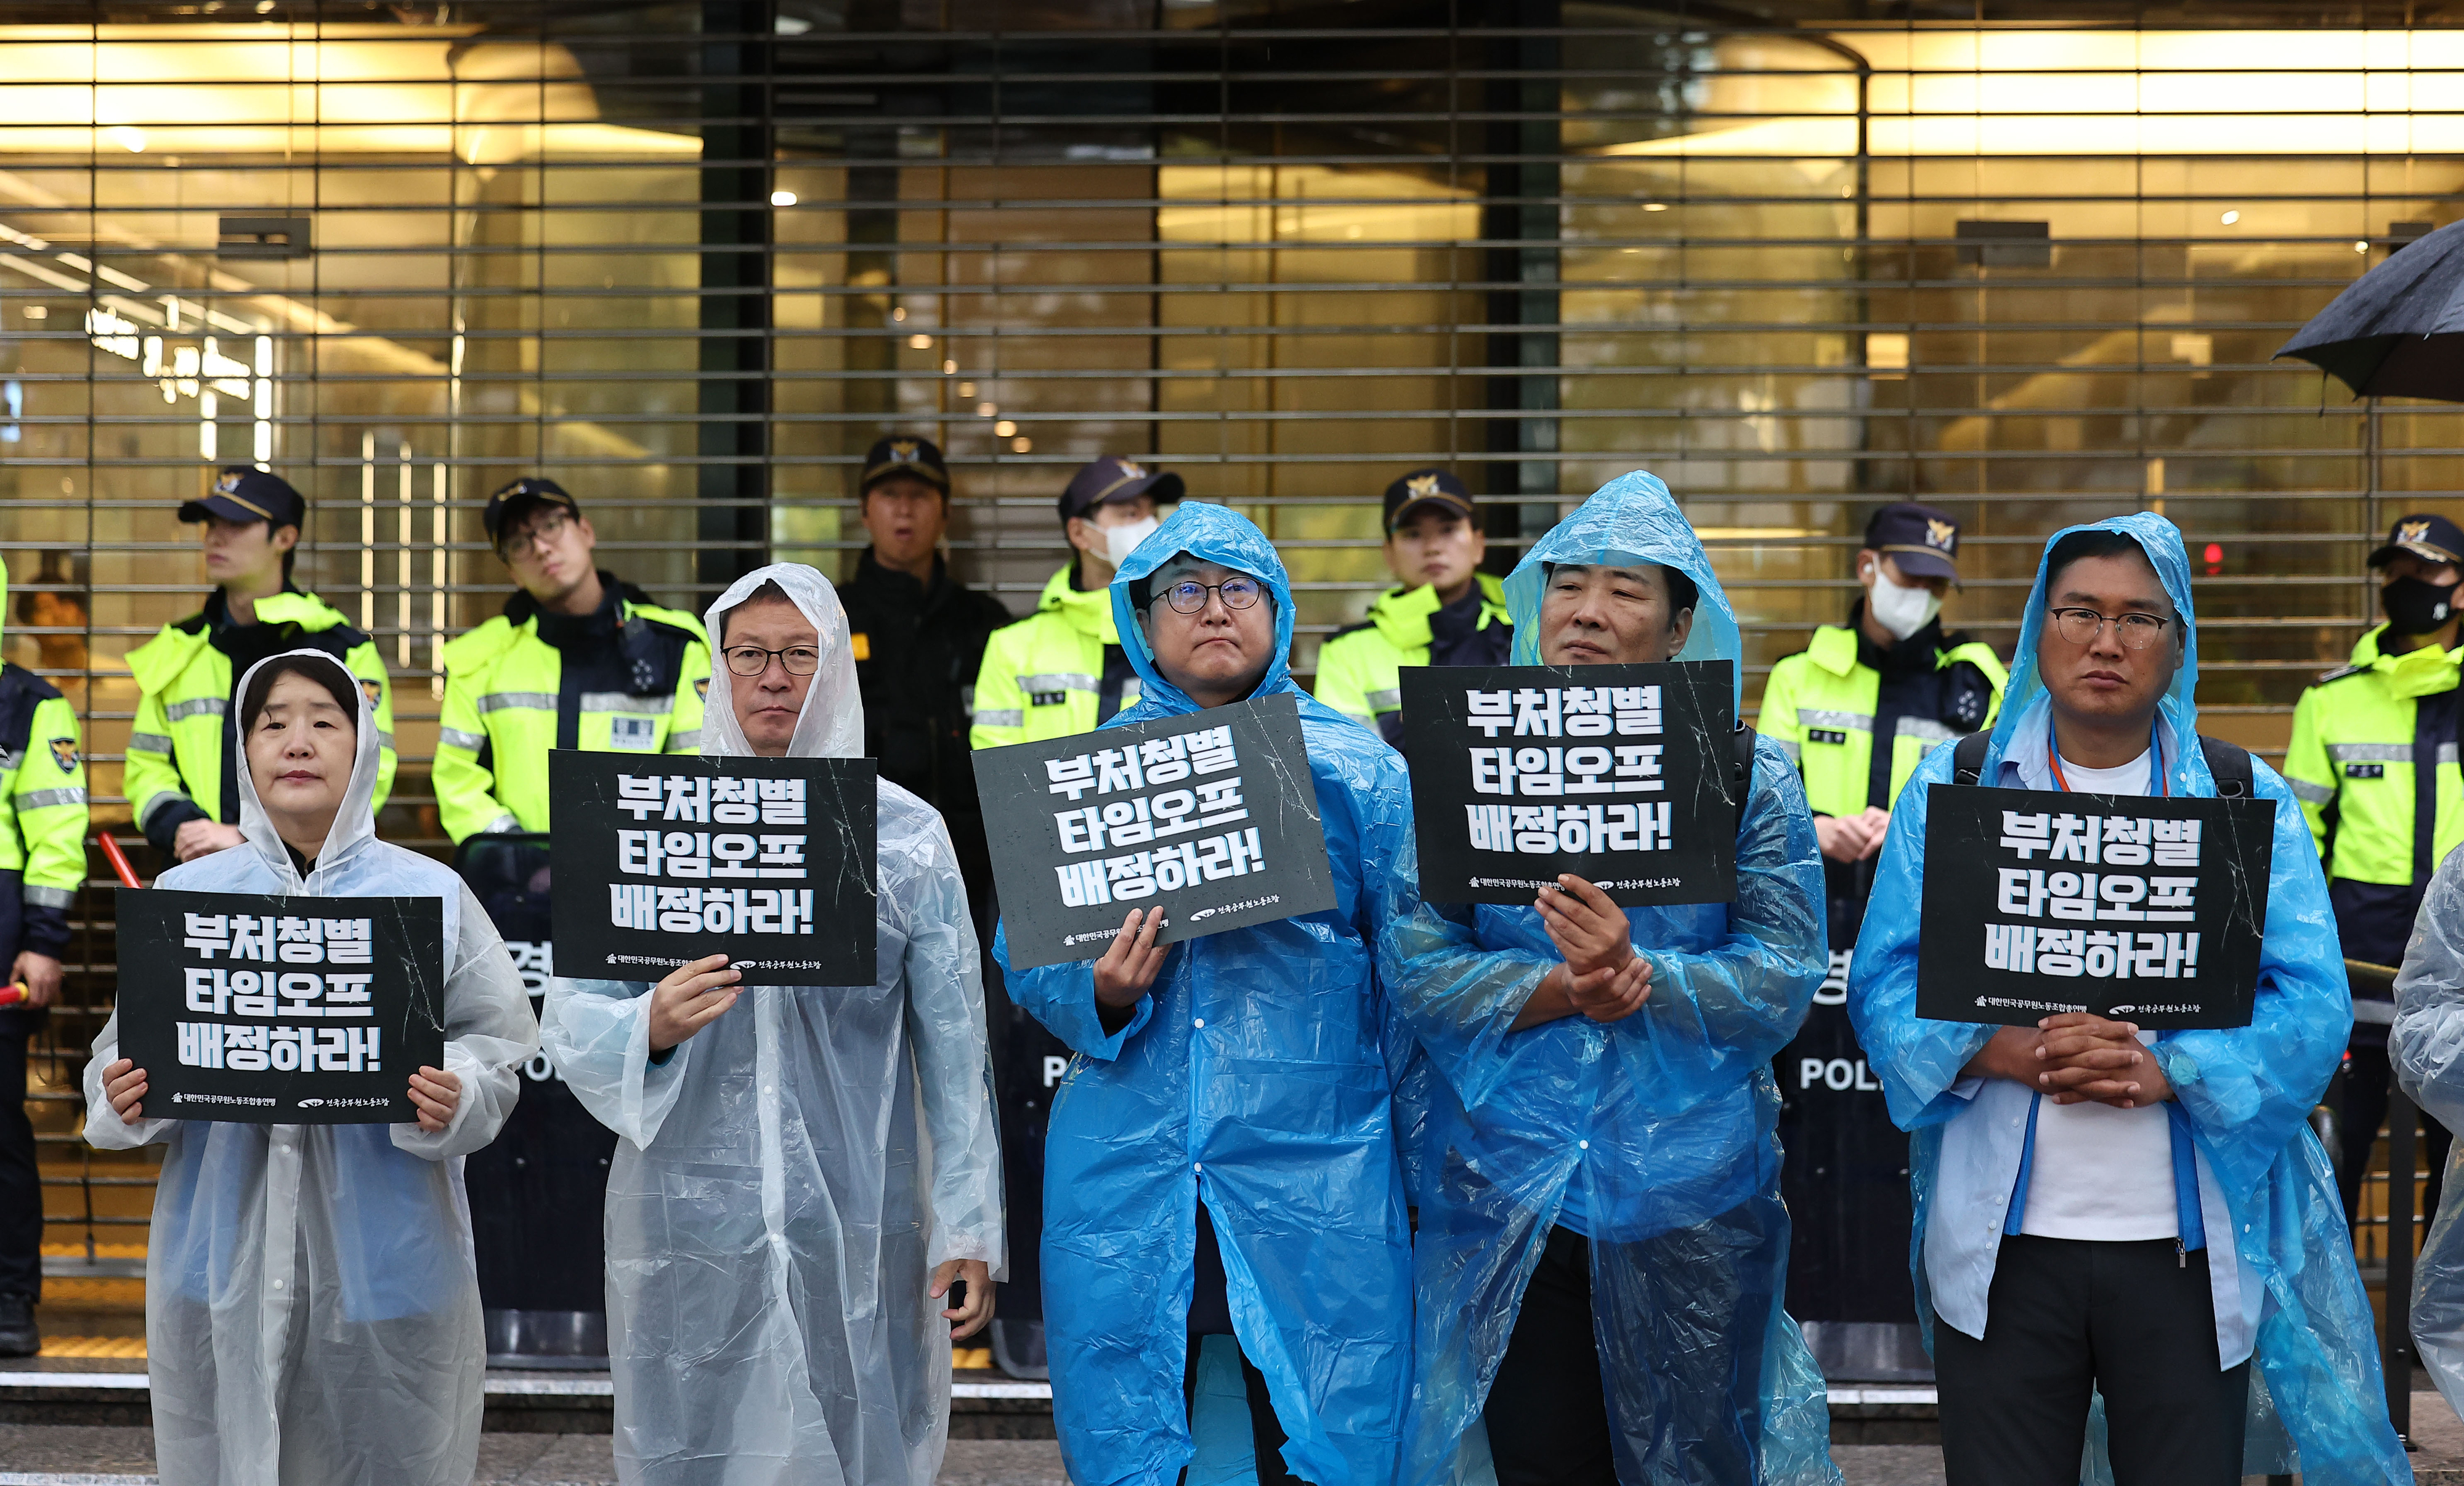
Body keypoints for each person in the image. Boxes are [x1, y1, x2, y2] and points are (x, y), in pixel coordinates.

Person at [1847, 514, 2409, 1484]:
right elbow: (1886, 980)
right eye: (2082, 612)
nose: (2108, 642)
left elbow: (2312, 1005)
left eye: (2141, 618)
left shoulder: (2240, 801)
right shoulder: (1960, 784)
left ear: (2178, 640)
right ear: (2039, 626)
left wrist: (2168, 1067)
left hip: (2188, 1258)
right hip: (2001, 1256)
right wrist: (2002, 1050)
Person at [1379, 471, 1836, 1486]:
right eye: (1568, 584)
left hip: (1692, 1198)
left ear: (1681, 628)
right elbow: (1415, 957)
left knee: (1697, 1465)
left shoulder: (1744, 770)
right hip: (1509, 1192)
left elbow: (1783, 969)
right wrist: (1563, 990)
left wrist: (1645, 977)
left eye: (1626, 591)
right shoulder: (1468, 758)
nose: (1588, 610)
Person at [541, 564, 1004, 1486]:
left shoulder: (904, 837)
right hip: (690, 1215)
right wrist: (653, 1029)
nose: (775, 676)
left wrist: (969, 1226)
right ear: (714, 669)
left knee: (858, 1434)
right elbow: (572, 1016)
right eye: (749, 653)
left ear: (836, 667)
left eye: (801, 653)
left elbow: (956, 1053)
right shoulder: (650, 823)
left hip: (862, 1215)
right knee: (695, 1441)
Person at [997, 503, 1421, 1486]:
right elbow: (1023, 952)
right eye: (1183, 591)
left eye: (1237, 588)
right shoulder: (1082, 777)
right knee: (1150, 1412)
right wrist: (1097, 990)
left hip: (1317, 1160)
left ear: (1278, 610)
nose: (1213, 610)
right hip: (1136, 1167)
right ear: (1141, 622)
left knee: (1316, 1423)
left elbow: (1419, 974)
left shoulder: (1359, 769)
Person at [84, 649, 537, 1486]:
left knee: (383, 1451)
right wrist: (122, 1093)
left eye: (325, 722)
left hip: (387, 1258)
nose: (298, 740)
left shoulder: (428, 894)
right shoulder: (190, 897)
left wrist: (457, 1090)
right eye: (272, 722)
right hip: (219, 1253)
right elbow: (123, 1053)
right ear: (244, 751)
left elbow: (498, 1045)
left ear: (362, 745)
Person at [1756, 500, 2006, 1377]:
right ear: (1867, 570)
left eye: (1937, 583)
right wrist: (1817, 829)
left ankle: (1927, 1333)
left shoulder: (1977, 677)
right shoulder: (1801, 673)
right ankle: (1802, 1329)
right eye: (1907, 577)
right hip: (1814, 929)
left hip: (1922, 937)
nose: (1921, 597)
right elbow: (1767, 798)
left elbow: (2000, 810)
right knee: (1806, 1125)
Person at [2285, 511, 2464, 1226]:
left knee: (2455, 1172)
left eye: (2426, 570)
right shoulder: (2330, 700)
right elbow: (2294, 850)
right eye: (2396, 570)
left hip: (2458, 967)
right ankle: (2326, 1334)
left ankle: (2439, 1340)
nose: (2407, 585)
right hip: (2356, 961)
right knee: (2333, 1155)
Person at [128, 468, 394, 863]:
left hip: (311, 881)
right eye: (211, 523)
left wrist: (253, 841)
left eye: (236, 523)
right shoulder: (178, 648)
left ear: (284, 538)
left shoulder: (342, 650)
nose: (215, 537)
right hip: (199, 873)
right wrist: (183, 826)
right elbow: (146, 766)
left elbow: (372, 772)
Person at [433, 478, 709, 843]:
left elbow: (701, 779)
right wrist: (517, 853)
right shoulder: (480, 658)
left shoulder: (675, 647)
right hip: (519, 886)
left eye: (550, 526)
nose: (541, 548)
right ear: (512, 572)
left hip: (642, 881)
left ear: (586, 531)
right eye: (518, 543)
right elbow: (458, 783)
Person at [835, 437, 1013, 900]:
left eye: (919, 497)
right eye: (890, 496)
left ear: (945, 512)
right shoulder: (830, 618)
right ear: (864, 510)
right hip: (855, 856)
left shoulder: (986, 621)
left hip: (970, 860)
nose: (905, 511)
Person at [0, 553, 87, 1358]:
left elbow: (57, 837)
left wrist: (41, 941)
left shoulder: (30, 705)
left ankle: (9, 1297)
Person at [970, 455, 1181, 749]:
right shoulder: (1014, 647)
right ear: (1080, 533)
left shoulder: (1185, 628)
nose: (1150, 526)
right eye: (1131, 514)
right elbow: (997, 774)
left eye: (1152, 513)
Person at [1313, 468, 1511, 748]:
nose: (1432, 547)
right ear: (1389, 555)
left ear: (1479, 544)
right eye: (1413, 534)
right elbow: (1347, 769)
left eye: (1448, 530)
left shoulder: (1525, 630)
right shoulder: (1347, 650)